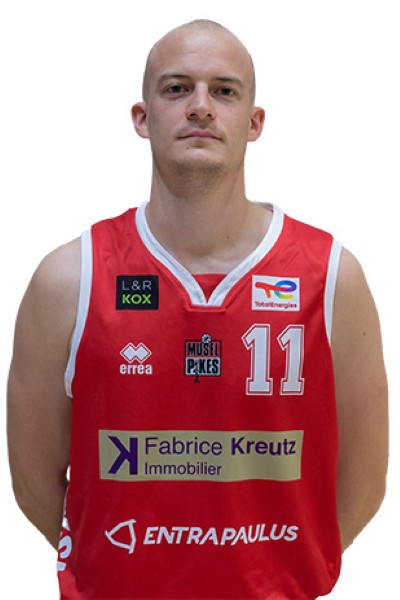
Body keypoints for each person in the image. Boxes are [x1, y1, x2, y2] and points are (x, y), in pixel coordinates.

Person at [7, 19, 388, 599]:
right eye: (177, 88)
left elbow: (364, 480)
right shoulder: (69, 279)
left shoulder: (331, 276)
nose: (201, 106)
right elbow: (34, 480)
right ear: (142, 117)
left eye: (224, 90)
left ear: (254, 122)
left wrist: (280, 575)